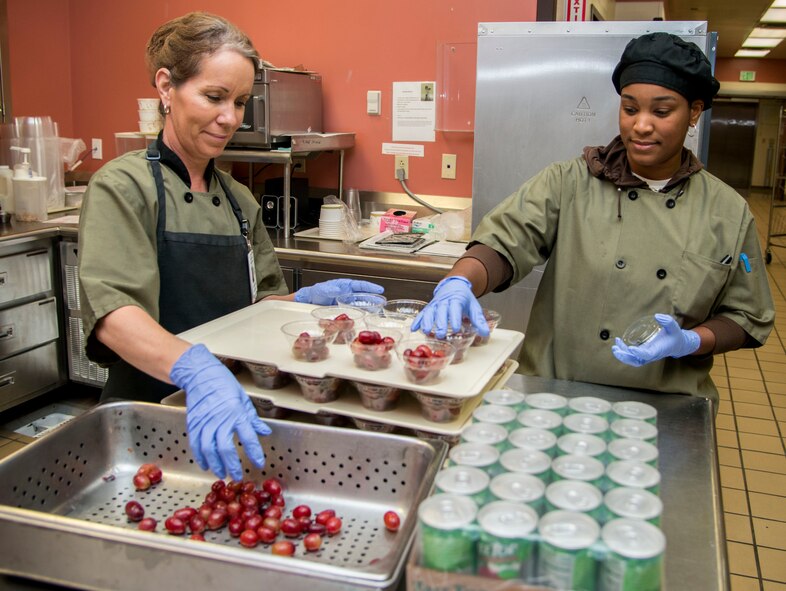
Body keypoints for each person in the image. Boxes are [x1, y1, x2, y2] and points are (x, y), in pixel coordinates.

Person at [78, 12, 382, 482]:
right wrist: (196, 368)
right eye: (214, 97)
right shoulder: (122, 185)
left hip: (231, 410)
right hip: (145, 417)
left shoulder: (239, 200)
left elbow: (259, 303)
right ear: (165, 87)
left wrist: (302, 304)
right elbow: (115, 316)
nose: (230, 118)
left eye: (240, 102)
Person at [413, 32, 775, 407]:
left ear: (694, 112)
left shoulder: (726, 211)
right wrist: (460, 281)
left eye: (662, 112)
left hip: (665, 405)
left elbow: (746, 316)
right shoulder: (569, 181)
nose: (642, 126)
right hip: (555, 394)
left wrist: (693, 341)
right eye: (630, 109)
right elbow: (505, 241)